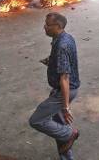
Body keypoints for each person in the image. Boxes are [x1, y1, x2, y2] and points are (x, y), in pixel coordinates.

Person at [29, 13, 81, 160]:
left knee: (37, 120)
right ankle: (66, 156)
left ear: (58, 26)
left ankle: (70, 134)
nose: (44, 27)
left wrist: (65, 106)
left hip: (64, 91)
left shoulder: (62, 45)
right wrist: (50, 61)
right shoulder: (64, 37)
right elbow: (66, 61)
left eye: (47, 25)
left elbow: (64, 78)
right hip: (65, 89)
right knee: (58, 123)